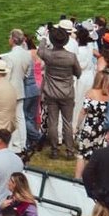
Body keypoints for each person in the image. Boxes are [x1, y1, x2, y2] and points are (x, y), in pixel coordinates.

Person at [38, 26, 82, 159]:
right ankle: (69, 151)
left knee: (53, 122)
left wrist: (44, 38)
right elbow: (78, 73)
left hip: (51, 94)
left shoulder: (48, 54)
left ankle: (54, 150)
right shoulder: (71, 57)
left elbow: (40, 49)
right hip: (67, 93)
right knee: (67, 122)